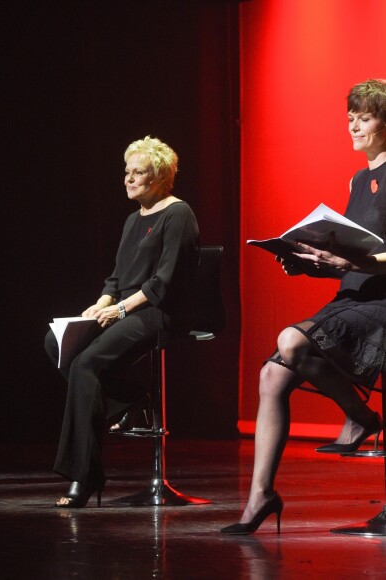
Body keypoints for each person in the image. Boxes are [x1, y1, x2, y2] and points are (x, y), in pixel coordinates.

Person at [221, 78, 386, 535]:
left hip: (382, 305)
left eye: (365, 116)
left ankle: (360, 417)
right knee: (272, 373)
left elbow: (372, 258)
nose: (353, 124)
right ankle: (260, 499)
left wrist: (350, 259)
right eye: (350, 115)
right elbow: (353, 262)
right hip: (353, 298)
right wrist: (314, 265)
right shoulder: (357, 178)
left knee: (291, 340)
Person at [45, 136, 200, 508]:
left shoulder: (178, 214)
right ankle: (129, 399)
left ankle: (84, 477)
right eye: (127, 171)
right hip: (127, 307)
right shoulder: (133, 219)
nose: (128, 179)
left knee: (85, 365)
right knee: (58, 345)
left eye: (139, 172)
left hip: (159, 311)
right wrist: (99, 305)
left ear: (160, 177)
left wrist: (119, 309)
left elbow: (164, 283)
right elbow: (116, 278)